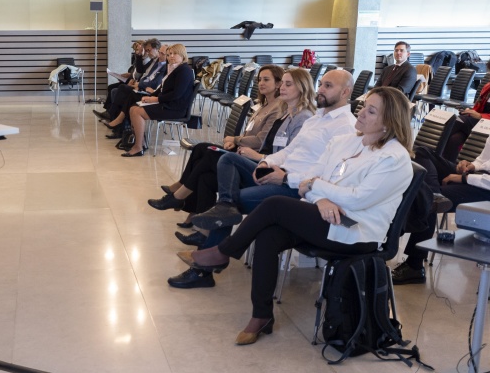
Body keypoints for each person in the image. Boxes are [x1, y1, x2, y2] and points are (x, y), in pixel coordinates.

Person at [184, 87, 414, 344]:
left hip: (355, 230)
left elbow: (357, 198)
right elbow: (308, 180)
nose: (361, 113)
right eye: (364, 106)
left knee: (275, 204)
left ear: (389, 122)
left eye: (371, 111)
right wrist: (321, 195)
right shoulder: (346, 141)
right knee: (269, 235)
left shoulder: (395, 159)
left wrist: (317, 187)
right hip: (324, 214)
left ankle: (223, 251)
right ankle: (261, 316)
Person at [168, 68, 355, 288]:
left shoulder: (345, 127)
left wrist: (285, 177)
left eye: (328, 86)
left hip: (295, 186)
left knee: (234, 200)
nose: (320, 90)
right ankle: (222, 208)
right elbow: (289, 150)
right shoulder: (316, 119)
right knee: (227, 161)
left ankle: (202, 270)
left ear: (345, 92)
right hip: (277, 171)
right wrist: (268, 162)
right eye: (321, 83)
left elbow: (325, 172)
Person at [148, 64, 286, 218]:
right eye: (260, 79)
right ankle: (191, 211)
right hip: (241, 149)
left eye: (266, 80)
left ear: (278, 84)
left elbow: (261, 140)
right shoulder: (263, 105)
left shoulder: (277, 109)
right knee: (200, 149)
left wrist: (235, 139)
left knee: (208, 157)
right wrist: (236, 142)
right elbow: (249, 132)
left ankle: (179, 197)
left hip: (251, 156)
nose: (261, 83)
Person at [392, 136, 490, 285]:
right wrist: (471, 166)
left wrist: (465, 178)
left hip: (484, 187)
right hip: (476, 176)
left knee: (425, 196)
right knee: (421, 152)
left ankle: (415, 265)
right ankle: (435, 195)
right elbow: (484, 159)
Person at [122, 43, 195, 157]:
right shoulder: (172, 68)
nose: (171, 56)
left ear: (182, 55)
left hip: (175, 108)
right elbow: (162, 87)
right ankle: (141, 143)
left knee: (137, 112)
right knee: (132, 108)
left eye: (175, 54)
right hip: (167, 104)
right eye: (169, 54)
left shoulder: (184, 71)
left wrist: (156, 99)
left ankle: (138, 147)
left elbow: (177, 94)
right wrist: (152, 96)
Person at [101, 43, 167, 138]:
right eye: (160, 53)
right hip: (142, 86)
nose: (160, 55)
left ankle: (114, 117)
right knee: (119, 92)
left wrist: (139, 84)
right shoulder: (157, 63)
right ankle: (119, 126)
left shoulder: (163, 66)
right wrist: (138, 82)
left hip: (149, 91)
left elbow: (154, 82)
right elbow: (144, 75)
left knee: (124, 91)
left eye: (163, 54)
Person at [442, 80, 490, 162]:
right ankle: (446, 169)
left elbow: (479, 114)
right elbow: (478, 108)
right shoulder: (488, 87)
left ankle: (434, 157)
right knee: (455, 139)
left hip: (486, 122)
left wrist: (480, 116)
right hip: (480, 122)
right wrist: (470, 111)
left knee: (457, 121)